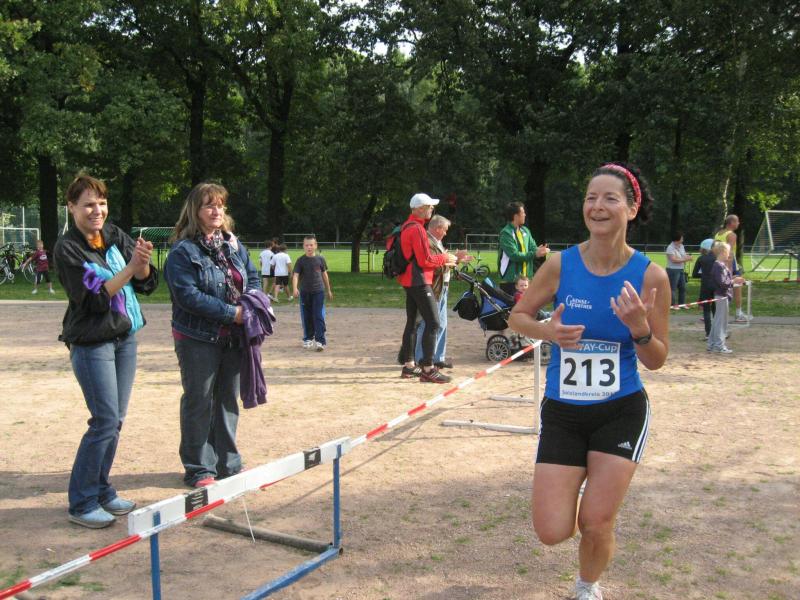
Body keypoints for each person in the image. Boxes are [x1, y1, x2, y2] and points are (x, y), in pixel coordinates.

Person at [508, 162, 670, 600]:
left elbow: (656, 359)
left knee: (596, 521)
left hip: (620, 410)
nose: (597, 206)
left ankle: (587, 586)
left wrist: (640, 329)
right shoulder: (560, 265)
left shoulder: (651, 277)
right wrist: (548, 331)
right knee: (551, 530)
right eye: (590, 197)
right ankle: (581, 483)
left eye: (609, 198)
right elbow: (517, 317)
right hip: (564, 411)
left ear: (631, 209)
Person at [55, 174, 158, 528]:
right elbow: (94, 301)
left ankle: (101, 490)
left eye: (101, 203)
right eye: (88, 204)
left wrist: (142, 262)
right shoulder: (68, 249)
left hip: (124, 338)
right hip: (91, 341)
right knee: (103, 421)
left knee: (115, 422)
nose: (96, 210)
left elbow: (146, 282)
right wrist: (130, 268)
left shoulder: (113, 235)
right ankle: (82, 503)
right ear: (72, 207)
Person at [164, 182, 260, 488]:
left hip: (234, 337)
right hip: (197, 338)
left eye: (220, 205)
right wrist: (231, 313)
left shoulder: (232, 245)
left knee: (227, 399)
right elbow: (187, 296)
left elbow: (252, 276)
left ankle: (228, 463)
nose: (216, 210)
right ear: (195, 210)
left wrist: (252, 302)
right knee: (199, 400)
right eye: (209, 205)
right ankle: (199, 468)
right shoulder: (182, 251)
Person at [398, 193, 461, 383]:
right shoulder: (417, 228)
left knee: (413, 323)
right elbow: (425, 260)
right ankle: (428, 368)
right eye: (429, 206)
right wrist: (445, 258)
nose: (432, 209)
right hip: (419, 281)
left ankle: (409, 366)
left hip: (410, 280)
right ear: (419, 209)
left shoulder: (407, 225)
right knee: (433, 323)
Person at [413, 215, 471, 369]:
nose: (445, 233)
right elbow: (432, 266)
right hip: (433, 287)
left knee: (442, 323)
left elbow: (443, 261)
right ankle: (421, 358)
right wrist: (452, 261)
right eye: (444, 230)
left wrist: (456, 260)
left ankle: (438, 357)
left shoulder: (436, 241)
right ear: (437, 228)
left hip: (443, 286)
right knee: (428, 323)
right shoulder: (428, 242)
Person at [497, 201, 549, 296]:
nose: (525, 215)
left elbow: (533, 248)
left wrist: (540, 251)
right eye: (523, 213)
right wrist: (535, 253)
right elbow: (514, 255)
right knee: (512, 305)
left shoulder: (525, 231)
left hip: (526, 281)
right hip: (510, 281)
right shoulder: (506, 233)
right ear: (516, 216)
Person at [292, 235, 333, 351]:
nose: (309, 247)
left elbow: (324, 275)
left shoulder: (320, 259)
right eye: (306, 245)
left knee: (318, 315)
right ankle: (308, 338)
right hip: (305, 292)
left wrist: (328, 290)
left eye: (311, 245)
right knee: (306, 316)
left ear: (315, 245)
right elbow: (295, 275)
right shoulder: (300, 260)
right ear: (303, 246)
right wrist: (295, 288)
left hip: (318, 292)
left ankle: (320, 341)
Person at [708, 241, 744, 354]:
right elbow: (723, 283)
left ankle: (712, 344)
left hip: (721, 296)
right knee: (721, 322)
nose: (729, 255)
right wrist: (734, 281)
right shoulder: (718, 266)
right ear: (723, 252)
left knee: (717, 321)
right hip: (722, 296)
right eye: (728, 252)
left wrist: (733, 279)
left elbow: (724, 280)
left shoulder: (720, 265)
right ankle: (719, 345)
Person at [714, 214, 747, 322]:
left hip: (719, 261)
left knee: (721, 288)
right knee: (737, 285)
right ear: (731, 223)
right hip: (729, 262)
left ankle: (715, 313)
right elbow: (729, 253)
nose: (738, 223)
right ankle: (738, 313)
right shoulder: (731, 235)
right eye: (737, 221)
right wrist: (729, 270)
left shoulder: (718, 234)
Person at [692, 239, 717, 338]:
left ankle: (708, 333)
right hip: (716, 285)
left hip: (705, 286)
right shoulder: (717, 258)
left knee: (706, 310)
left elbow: (694, 274)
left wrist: (704, 275)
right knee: (715, 309)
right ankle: (717, 332)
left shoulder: (701, 258)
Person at [665, 232, 691, 306]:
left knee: (682, 287)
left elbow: (684, 255)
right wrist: (685, 259)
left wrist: (688, 257)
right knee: (673, 288)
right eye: (681, 238)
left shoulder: (681, 246)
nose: (683, 239)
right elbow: (673, 260)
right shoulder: (670, 248)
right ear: (677, 239)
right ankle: (672, 304)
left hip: (681, 269)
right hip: (673, 270)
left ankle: (682, 304)